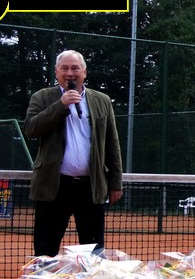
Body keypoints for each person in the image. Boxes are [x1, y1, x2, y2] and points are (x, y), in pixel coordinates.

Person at [24, 50, 123, 257]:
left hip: (91, 186)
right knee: (45, 249)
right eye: (65, 68)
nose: (70, 73)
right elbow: (31, 129)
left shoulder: (102, 100)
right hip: (54, 185)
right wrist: (61, 105)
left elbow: (112, 144)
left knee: (94, 251)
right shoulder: (42, 97)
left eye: (75, 68)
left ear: (84, 72)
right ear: (56, 72)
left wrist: (115, 183)